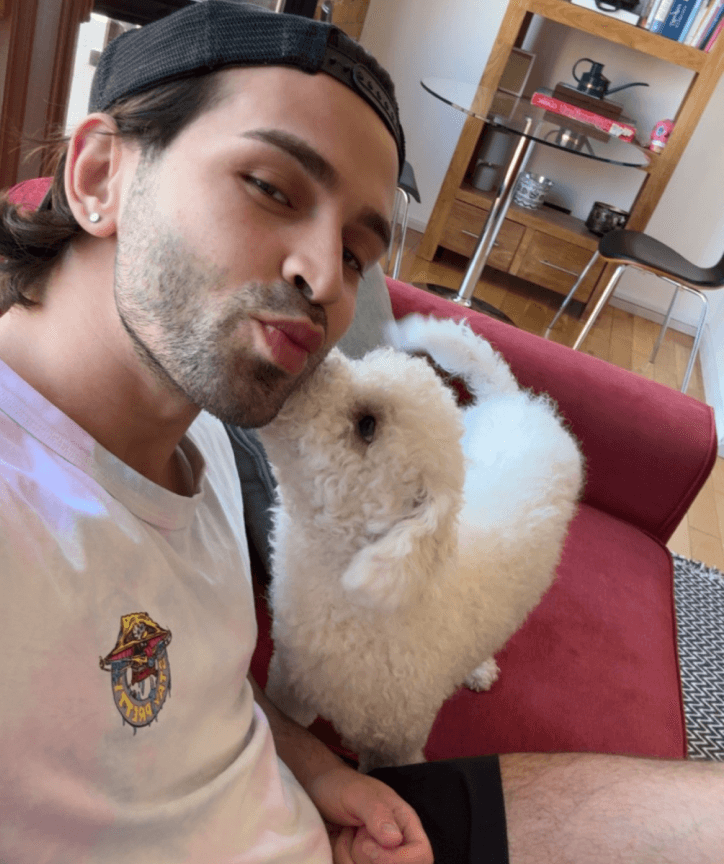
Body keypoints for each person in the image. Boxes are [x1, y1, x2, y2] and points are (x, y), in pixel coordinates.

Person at [0, 3, 721, 864]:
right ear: (99, 175)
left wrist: (315, 770)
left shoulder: (221, 437)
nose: (322, 278)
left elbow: (200, 684)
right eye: (271, 186)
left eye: (355, 253)